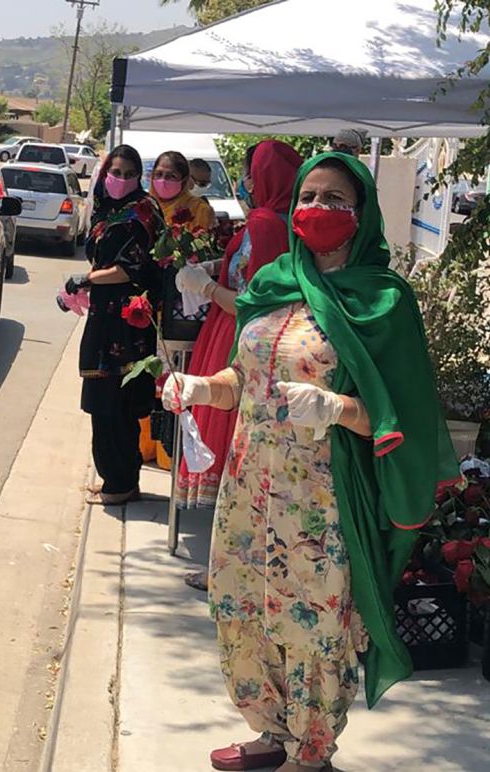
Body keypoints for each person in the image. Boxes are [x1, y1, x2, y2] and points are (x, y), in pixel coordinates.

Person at [163, 153, 459, 772]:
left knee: (315, 622)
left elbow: (398, 410)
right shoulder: (273, 283)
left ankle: (312, 750)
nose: (318, 209)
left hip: (323, 496)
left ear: (362, 214)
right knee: (242, 607)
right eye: (309, 196)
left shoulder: (382, 300)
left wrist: (335, 406)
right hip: (249, 487)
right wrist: (200, 387)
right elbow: (243, 381)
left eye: (335, 200)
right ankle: (271, 732)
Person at [172, 140, 304, 592]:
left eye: (251, 172)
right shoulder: (283, 225)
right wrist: (215, 267)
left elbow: (249, 300)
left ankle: (229, 569)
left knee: (236, 454)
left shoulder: (266, 224)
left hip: (235, 336)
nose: (246, 181)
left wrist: (208, 288)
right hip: (244, 335)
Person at [66, 145, 165, 505]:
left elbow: (130, 268)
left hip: (128, 320)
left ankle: (120, 483)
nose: (120, 179)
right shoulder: (108, 210)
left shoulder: (141, 211)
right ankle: (115, 479)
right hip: (105, 314)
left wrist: (86, 280)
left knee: (116, 402)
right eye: (116, 172)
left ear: (139, 177)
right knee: (100, 401)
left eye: (128, 174)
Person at [150, 151, 217, 232]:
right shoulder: (144, 206)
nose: (163, 180)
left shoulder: (201, 210)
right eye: (159, 174)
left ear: (184, 181)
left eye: (172, 176)